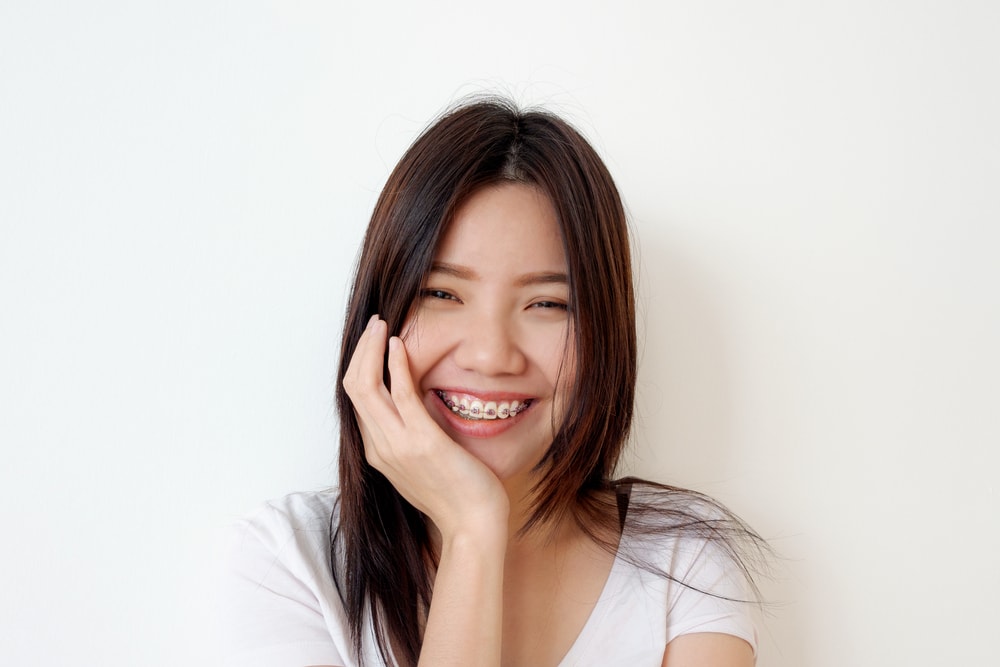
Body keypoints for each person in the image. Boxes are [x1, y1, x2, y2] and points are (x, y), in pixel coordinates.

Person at [221, 97, 768, 667]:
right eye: (441, 293)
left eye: (547, 303)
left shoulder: (684, 568)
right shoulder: (287, 564)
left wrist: (470, 532)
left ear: (605, 335)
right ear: (376, 319)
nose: (489, 356)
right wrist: (474, 530)